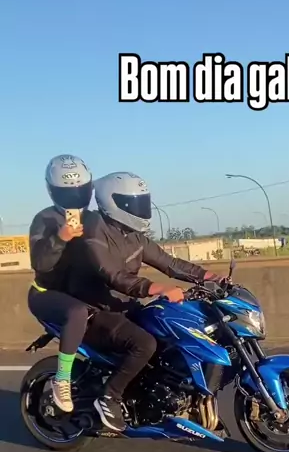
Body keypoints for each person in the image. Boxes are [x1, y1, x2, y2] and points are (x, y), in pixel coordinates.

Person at [66, 171, 225, 432]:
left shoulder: (133, 235)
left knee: (170, 332)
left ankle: (166, 401)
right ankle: (109, 397)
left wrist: (209, 277)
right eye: (133, 203)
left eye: (142, 201)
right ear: (112, 202)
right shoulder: (92, 230)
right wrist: (156, 287)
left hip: (122, 307)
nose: (140, 208)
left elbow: (170, 263)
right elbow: (112, 275)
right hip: (93, 311)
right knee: (144, 343)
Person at [28, 154, 94, 413]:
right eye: (67, 193)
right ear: (52, 190)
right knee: (77, 312)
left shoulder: (95, 219)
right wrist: (60, 238)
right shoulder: (44, 219)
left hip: (81, 292)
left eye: (79, 191)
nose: (74, 199)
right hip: (47, 294)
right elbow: (40, 263)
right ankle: (62, 379)